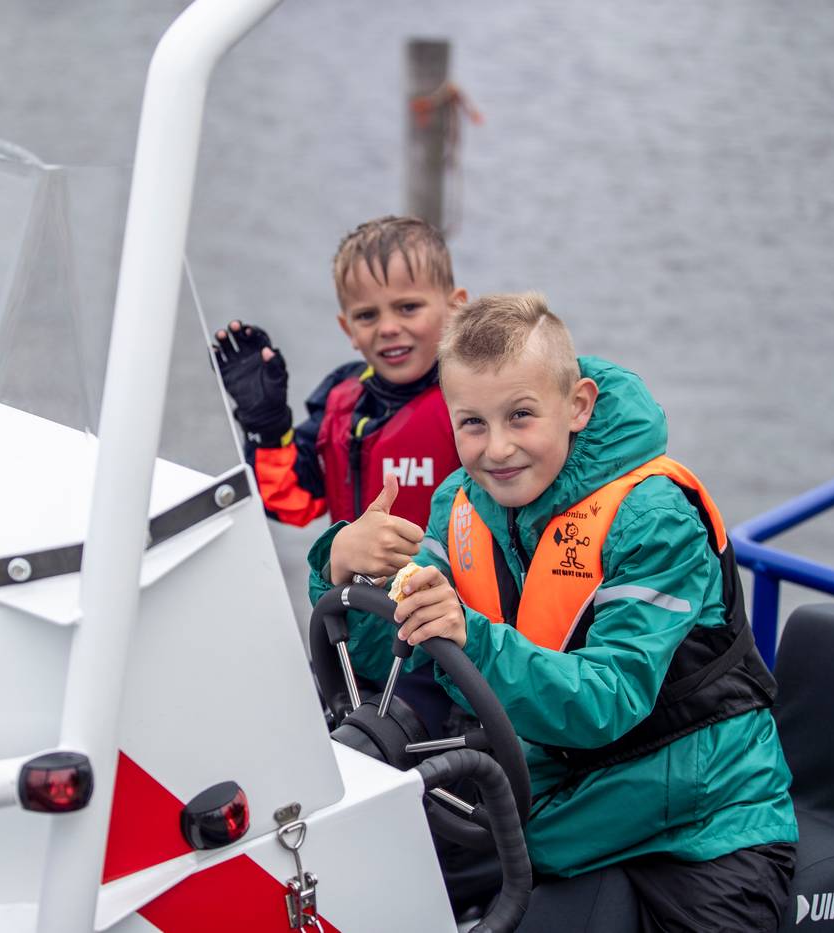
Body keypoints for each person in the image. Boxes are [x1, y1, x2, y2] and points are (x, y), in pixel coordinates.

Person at [310, 293, 798, 931]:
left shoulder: (654, 520)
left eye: (520, 416)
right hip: (557, 805)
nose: (497, 449)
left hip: (702, 825)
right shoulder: (460, 503)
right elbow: (390, 655)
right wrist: (345, 567)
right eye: (473, 423)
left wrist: (471, 636)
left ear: (578, 406)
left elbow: (608, 702)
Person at [211, 215, 466, 531]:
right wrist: (267, 427)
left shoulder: (476, 398)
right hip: (354, 565)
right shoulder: (338, 402)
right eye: (367, 315)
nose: (388, 328)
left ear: (456, 308)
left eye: (408, 308)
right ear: (348, 329)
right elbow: (291, 503)